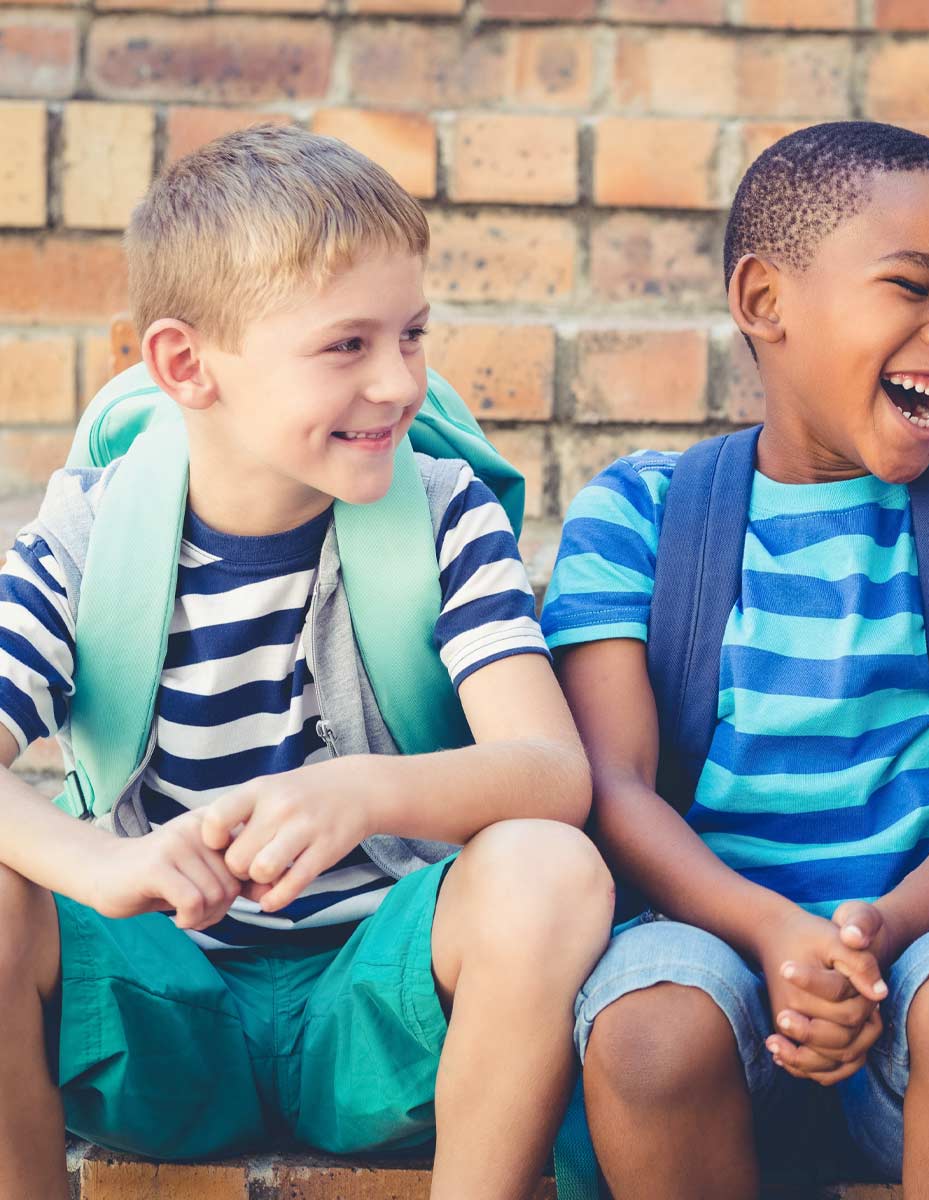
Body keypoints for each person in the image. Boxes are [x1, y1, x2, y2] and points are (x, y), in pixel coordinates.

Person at [0, 126, 612, 1200]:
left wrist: (366, 791)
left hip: (379, 1012)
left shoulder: (441, 512)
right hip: (160, 1002)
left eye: (413, 335)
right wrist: (94, 863)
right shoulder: (91, 537)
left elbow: (553, 772)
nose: (400, 383)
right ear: (187, 366)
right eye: (347, 347)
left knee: (548, 866)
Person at [541, 121, 929, 1200]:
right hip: (713, 962)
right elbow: (613, 783)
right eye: (911, 289)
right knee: (649, 1024)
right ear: (763, 303)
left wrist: (879, 934)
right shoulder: (640, 514)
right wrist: (771, 935)